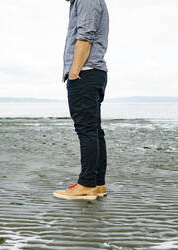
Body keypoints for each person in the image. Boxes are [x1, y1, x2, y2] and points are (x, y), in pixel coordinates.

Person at [54, 0, 109, 201]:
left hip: (85, 72)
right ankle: (97, 184)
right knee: (94, 130)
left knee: (87, 130)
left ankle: (86, 184)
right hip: (93, 72)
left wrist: (75, 72)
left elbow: (85, 37)